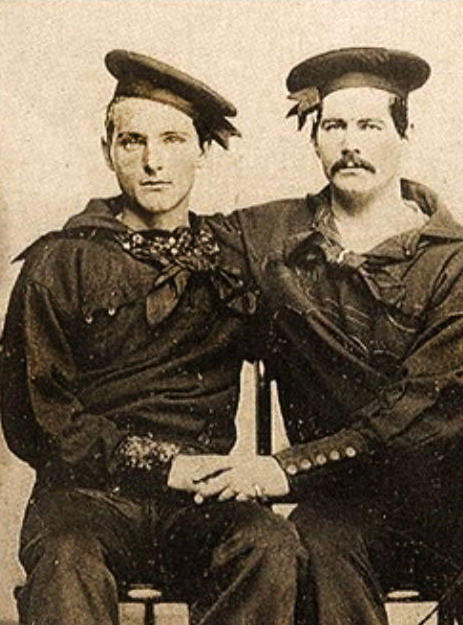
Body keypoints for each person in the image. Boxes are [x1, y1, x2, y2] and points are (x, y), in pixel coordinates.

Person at [0, 49, 304, 625]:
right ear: (107, 151)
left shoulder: (234, 256)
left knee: (269, 546)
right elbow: (33, 419)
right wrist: (163, 464)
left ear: (202, 151)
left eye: (172, 139)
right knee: (66, 559)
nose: (152, 162)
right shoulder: (60, 262)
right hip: (84, 500)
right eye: (132, 141)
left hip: (200, 501)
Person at [195, 47, 463, 624]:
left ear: (405, 135)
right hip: (339, 504)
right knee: (318, 546)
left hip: (449, 498)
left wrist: (283, 469)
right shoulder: (267, 237)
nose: (351, 143)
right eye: (334, 126)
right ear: (314, 139)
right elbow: (174, 246)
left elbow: (423, 418)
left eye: (370, 126)